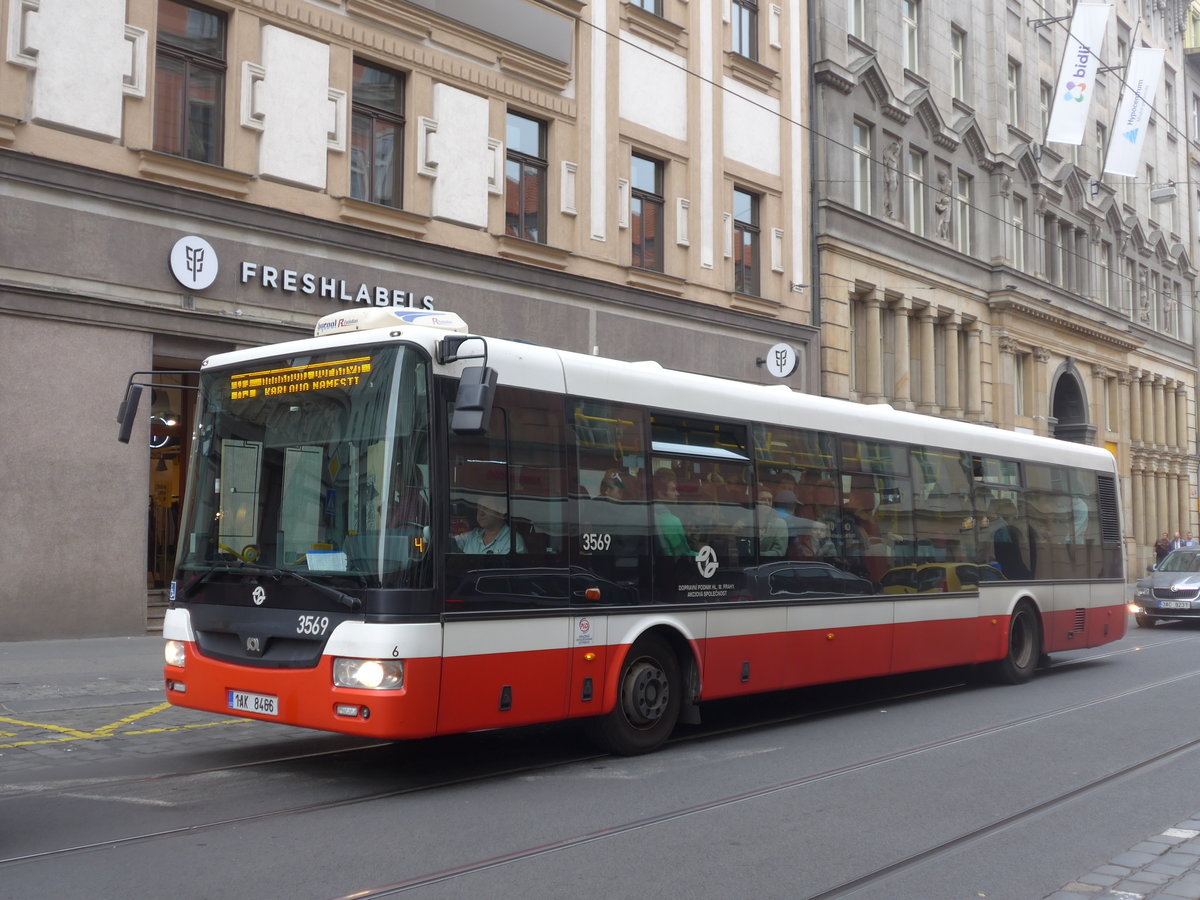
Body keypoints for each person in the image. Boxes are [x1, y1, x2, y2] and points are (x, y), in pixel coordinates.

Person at [455, 496, 525, 554]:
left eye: (486, 508)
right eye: (478, 508)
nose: (481, 513)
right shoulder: (472, 536)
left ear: (501, 511)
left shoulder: (513, 541)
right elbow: (449, 543)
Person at [652, 468, 694, 557]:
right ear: (661, 494)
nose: (677, 493)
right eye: (673, 490)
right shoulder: (671, 522)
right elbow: (683, 554)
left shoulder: (648, 513)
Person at [756, 489, 789, 557]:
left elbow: (779, 552)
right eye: (763, 500)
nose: (767, 503)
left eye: (769, 500)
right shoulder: (747, 521)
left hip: (770, 565)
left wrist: (755, 555)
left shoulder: (780, 524)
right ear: (756, 502)